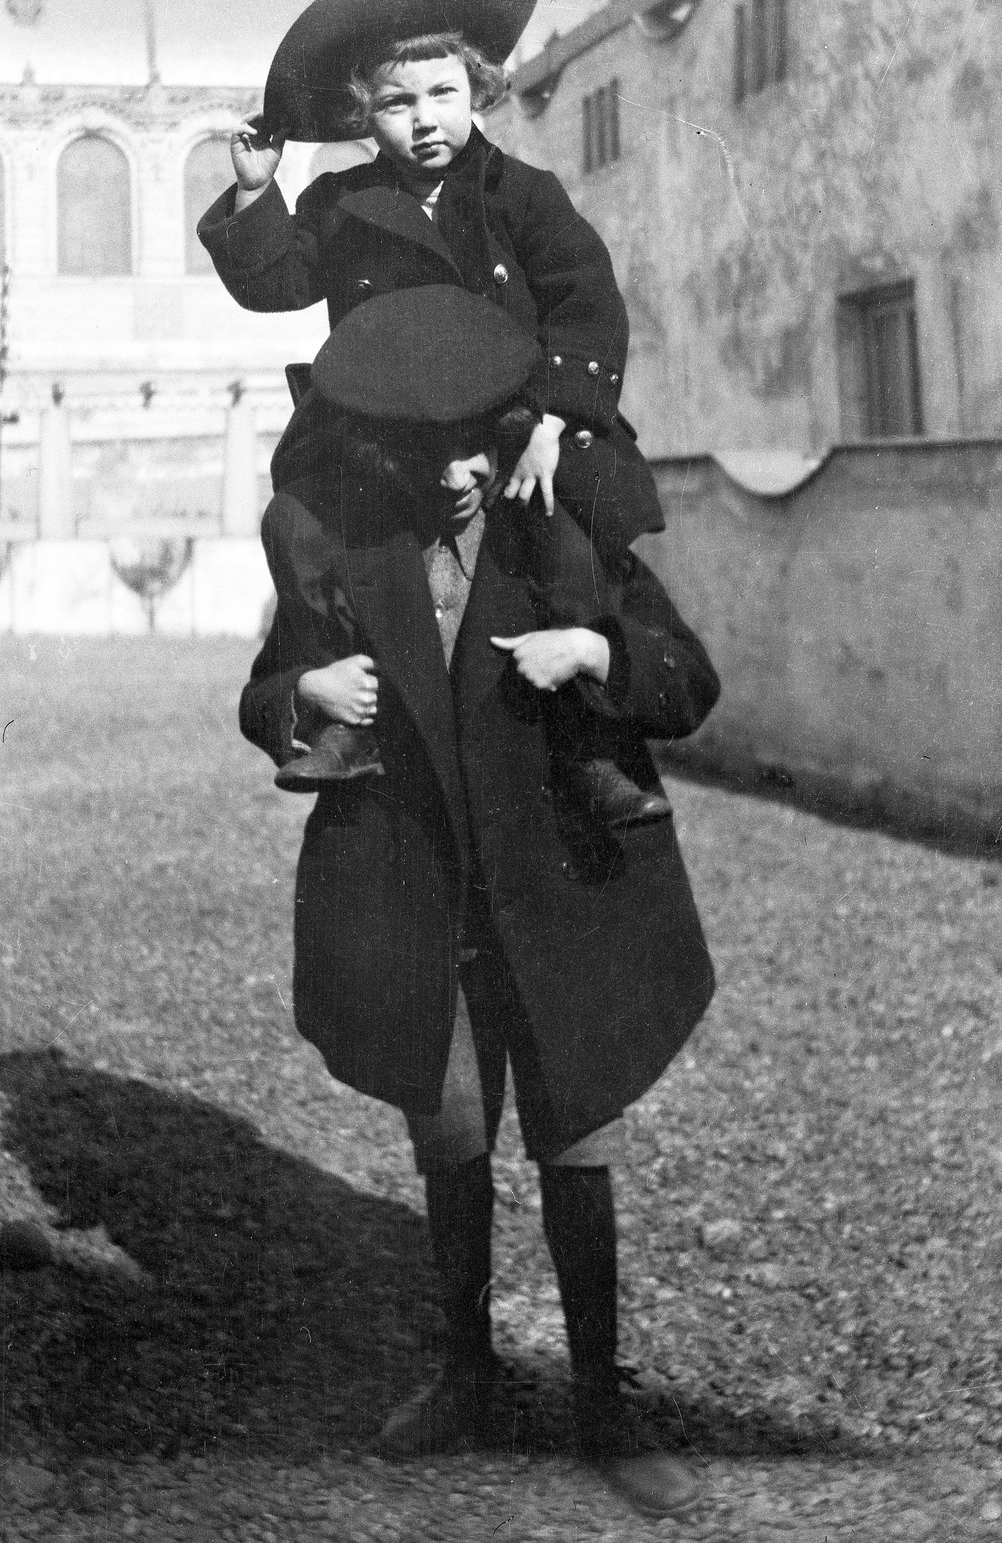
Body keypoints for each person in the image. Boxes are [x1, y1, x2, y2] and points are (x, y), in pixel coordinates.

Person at [239, 285, 722, 1521]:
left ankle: (603, 1404)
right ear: (384, 452)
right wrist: (309, 689)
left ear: (506, 433)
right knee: (450, 1138)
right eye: (426, 451)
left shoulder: (560, 536)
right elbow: (259, 699)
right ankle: (466, 1373)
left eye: (476, 445)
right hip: (419, 898)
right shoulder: (342, 553)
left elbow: (687, 678)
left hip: (560, 898)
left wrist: (598, 654)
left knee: (576, 1141)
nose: (456, 473)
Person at [198, 0, 668, 808]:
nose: (424, 120)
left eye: (443, 94)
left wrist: (555, 425)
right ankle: (347, 718)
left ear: (478, 89)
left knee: (569, 532)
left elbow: (584, 298)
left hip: (512, 421)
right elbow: (275, 286)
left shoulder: (521, 195)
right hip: (377, 429)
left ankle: (588, 742)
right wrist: (254, 195)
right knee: (298, 524)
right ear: (359, 117)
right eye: (395, 103)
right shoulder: (339, 205)